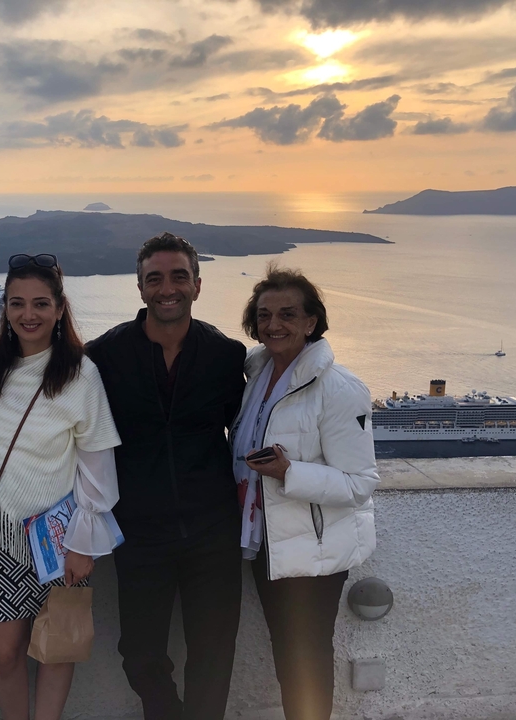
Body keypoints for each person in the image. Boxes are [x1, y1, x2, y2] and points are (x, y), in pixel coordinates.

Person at [86, 232, 246, 720]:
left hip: (213, 532)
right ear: (140, 288)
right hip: (140, 533)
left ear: (197, 285)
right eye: (154, 278)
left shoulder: (225, 356)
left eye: (179, 276)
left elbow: (245, 432)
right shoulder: (104, 356)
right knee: (138, 653)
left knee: (214, 653)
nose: (167, 288)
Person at [0, 253, 121, 720]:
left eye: (40, 304)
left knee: (58, 645)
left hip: (60, 535)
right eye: (16, 303)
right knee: (5, 651)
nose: (28, 314)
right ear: (5, 309)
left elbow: (96, 462)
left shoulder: (80, 374)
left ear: (58, 308)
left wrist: (83, 542)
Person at [231, 262, 379, 720]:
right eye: (264, 314)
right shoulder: (256, 377)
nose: (274, 325)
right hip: (270, 543)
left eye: (288, 314)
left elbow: (360, 484)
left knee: (307, 659)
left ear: (311, 322)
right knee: (287, 656)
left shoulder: (338, 388)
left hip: (312, 554)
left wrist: (289, 472)